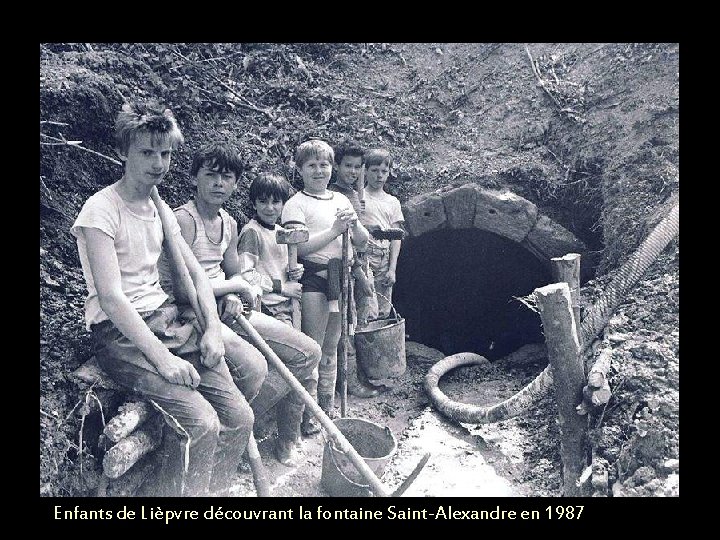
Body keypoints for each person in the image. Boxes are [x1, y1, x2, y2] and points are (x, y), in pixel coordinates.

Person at [70, 101, 266, 497]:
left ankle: (209, 493)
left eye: (166, 153)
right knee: (201, 422)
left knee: (240, 417)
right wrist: (165, 361)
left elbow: (194, 272)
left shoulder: (157, 202)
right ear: (123, 152)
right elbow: (110, 299)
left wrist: (211, 329)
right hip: (120, 334)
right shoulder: (101, 210)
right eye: (146, 152)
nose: (158, 162)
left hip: (168, 318)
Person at [164, 146, 321, 465]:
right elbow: (183, 289)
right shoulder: (181, 220)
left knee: (309, 353)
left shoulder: (229, 223)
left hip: (228, 309)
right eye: (210, 175)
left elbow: (233, 271)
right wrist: (235, 288)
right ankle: (233, 434)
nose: (218, 183)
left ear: (235, 184)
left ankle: (243, 424)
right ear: (195, 178)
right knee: (253, 366)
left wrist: (234, 292)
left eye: (227, 177)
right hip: (190, 314)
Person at [281, 139, 369, 419]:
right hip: (313, 281)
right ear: (300, 169)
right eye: (312, 165)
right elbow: (297, 248)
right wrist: (334, 230)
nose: (319, 171)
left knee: (333, 347)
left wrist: (353, 225)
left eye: (324, 165)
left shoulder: (341, 199)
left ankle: (326, 409)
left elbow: (362, 242)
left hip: (341, 280)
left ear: (332, 168)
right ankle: (308, 415)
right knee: (313, 350)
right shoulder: (295, 204)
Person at [328, 140, 380, 398]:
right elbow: (342, 242)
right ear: (336, 166)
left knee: (357, 322)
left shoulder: (352, 193)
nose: (353, 171)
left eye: (358, 167)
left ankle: (353, 376)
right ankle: (347, 382)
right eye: (348, 165)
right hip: (345, 269)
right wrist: (360, 274)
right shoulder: (336, 195)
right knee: (346, 326)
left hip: (359, 262)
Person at [359, 148, 405, 320]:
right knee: (367, 306)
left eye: (384, 171)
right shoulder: (359, 198)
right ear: (365, 171)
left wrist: (392, 268)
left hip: (385, 257)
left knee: (383, 308)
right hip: (365, 255)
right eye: (374, 171)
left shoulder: (392, 202)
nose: (379, 176)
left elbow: (396, 237)